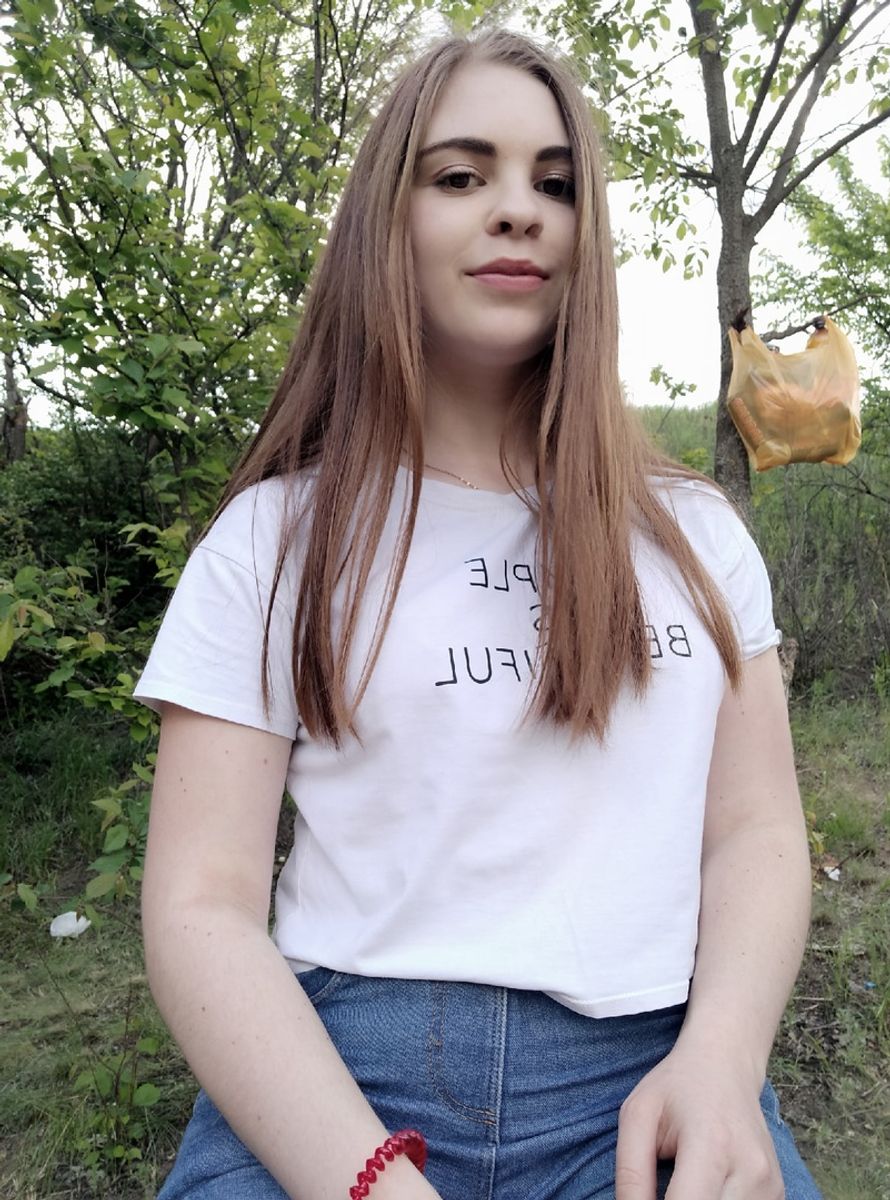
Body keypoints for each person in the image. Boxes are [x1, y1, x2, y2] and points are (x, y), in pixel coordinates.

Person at [136, 28, 822, 1200]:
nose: (518, 210)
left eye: (556, 184)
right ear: (385, 220)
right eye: (460, 175)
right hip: (337, 1086)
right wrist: (369, 1181)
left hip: (644, 1078)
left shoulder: (695, 535)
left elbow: (752, 831)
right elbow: (202, 904)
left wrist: (720, 1061)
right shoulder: (273, 540)